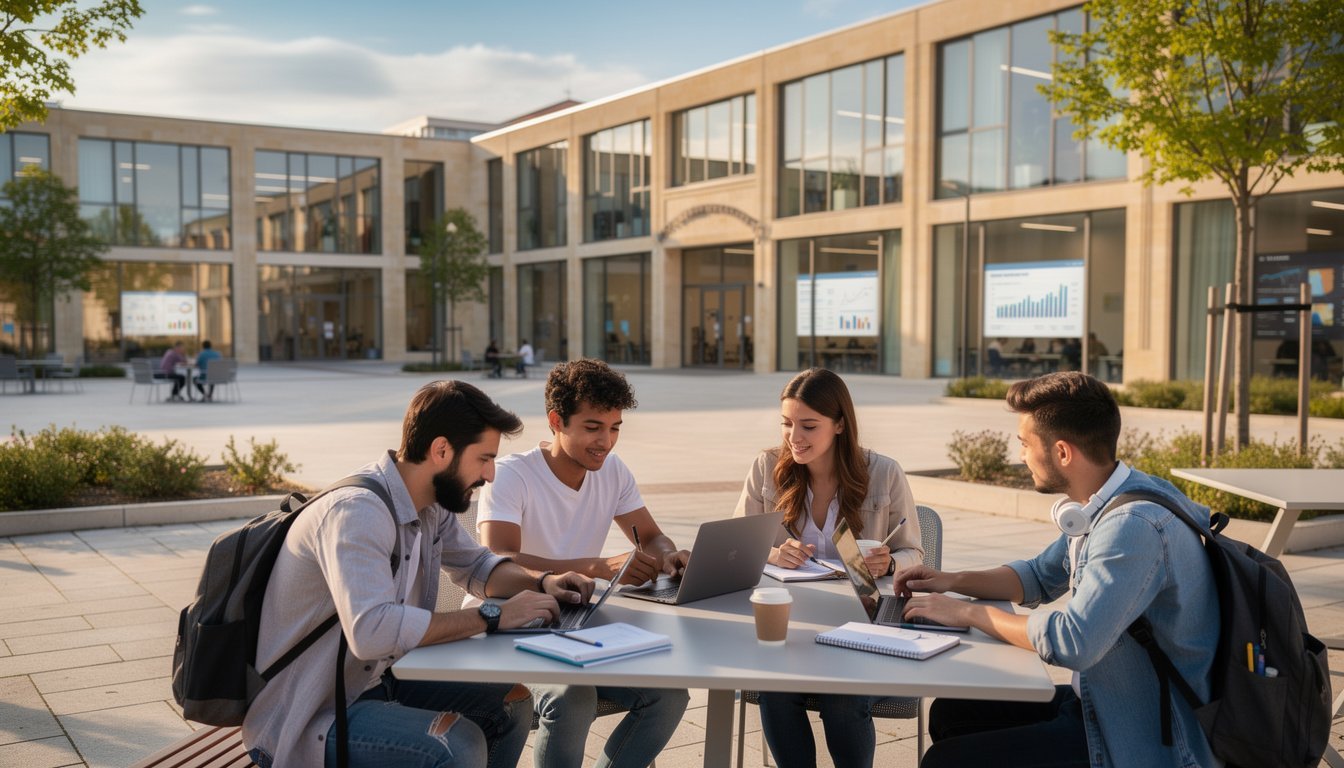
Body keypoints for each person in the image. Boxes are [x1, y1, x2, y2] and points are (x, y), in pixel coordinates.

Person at [242, 380, 596, 768]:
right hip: (312, 712)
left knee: (511, 705)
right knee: (458, 745)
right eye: (484, 459)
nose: (492, 474)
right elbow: (372, 631)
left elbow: (477, 565)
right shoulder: (358, 513)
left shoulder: (429, 504)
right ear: (441, 450)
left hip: (374, 681)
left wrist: (543, 581)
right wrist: (492, 616)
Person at [897, 372, 1218, 768]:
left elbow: (1072, 642)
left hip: (1143, 737)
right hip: (1102, 701)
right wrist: (950, 580)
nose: (1021, 456)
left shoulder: (1132, 527)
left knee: (947, 761)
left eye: (1025, 444)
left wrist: (967, 612)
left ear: (1063, 452)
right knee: (954, 711)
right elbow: (1036, 575)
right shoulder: (1108, 499)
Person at [476, 358, 691, 768]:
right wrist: (596, 567)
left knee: (670, 694)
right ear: (556, 420)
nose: (606, 442)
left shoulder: (613, 471)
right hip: (511, 623)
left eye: (614, 429)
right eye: (593, 427)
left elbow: (650, 535)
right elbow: (498, 559)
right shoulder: (511, 475)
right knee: (572, 698)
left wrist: (667, 555)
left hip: (579, 624)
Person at [733, 367, 922, 768]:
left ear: (839, 424)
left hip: (862, 625)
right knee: (774, 691)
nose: (793, 437)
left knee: (844, 697)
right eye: (786, 423)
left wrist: (889, 562)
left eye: (808, 425)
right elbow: (734, 547)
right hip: (791, 625)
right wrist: (770, 553)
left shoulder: (884, 473)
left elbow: (915, 556)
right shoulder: (767, 467)